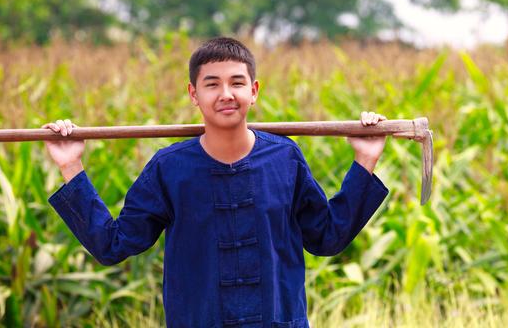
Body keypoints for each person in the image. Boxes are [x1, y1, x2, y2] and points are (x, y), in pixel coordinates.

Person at [43, 37, 389, 328]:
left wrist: (366, 159)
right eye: (212, 84)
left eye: (237, 82)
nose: (226, 94)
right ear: (194, 94)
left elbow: (327, 238)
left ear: (253, 91)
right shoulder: (170, 169)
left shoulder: (284, 159)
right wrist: (70, 164)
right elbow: (111, 245)